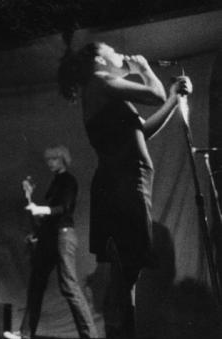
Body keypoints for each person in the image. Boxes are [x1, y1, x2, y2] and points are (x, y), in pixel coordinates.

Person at [56, 42, 192, 339]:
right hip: (126, 181)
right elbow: (153, 94)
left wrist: (173, 99)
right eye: (114, 51)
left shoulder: (102, 89)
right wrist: (143, 68)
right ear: (99, 59)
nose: (121, 54)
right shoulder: (103, 81)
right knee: (126, 275)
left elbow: (141, 132)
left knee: (124, 276)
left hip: (117, 181)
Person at [4, 145, 97, 339]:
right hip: (50, 238)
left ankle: (90, 336)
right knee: (36, 283)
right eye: (48, 160)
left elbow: (64, 208)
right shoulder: (55, 182)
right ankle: (25, 333)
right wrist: (28, 195)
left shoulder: (68, 181)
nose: (49, 163)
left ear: (62, 159)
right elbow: (44, 216)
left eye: (53, 159)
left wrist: (42, 210)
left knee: (69, 286)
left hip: (63, 236)